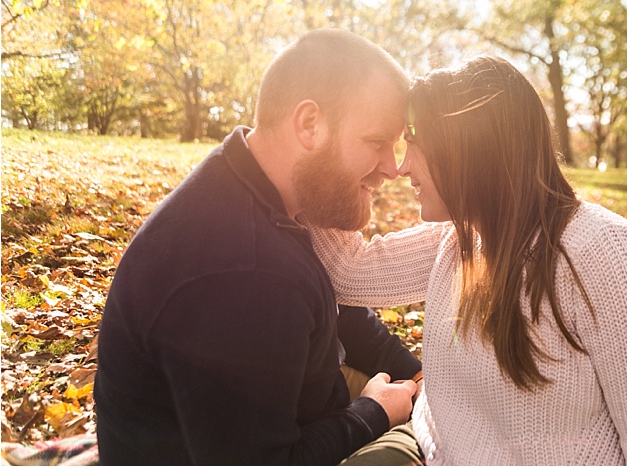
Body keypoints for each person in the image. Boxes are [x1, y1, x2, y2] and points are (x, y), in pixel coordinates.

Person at [307, 56, 627, 465]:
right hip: (431, 446)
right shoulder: (461, 238)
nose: (401, 167)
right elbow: (349, 271)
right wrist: (305, 159)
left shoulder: (611, 256)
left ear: (471, 146)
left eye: (416, 143)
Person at [94, 29, 426, 465]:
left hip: (299, 408)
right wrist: (374, 413)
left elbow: (345, 313)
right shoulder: (246, 272)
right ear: (310, 125)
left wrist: (416, 375)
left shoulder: (263, 183)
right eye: (377, 142)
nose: (392, 167)